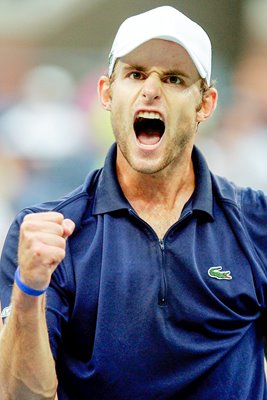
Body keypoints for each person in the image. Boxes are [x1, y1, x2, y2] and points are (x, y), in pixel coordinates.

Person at [0, 5, 266, 400]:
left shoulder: (256, 222)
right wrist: (28, 291)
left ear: (205, 105)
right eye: (136, 74)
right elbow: (19, 395)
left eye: (174, 78)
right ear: (107, 92)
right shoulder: (45, 233)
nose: (151, 90)